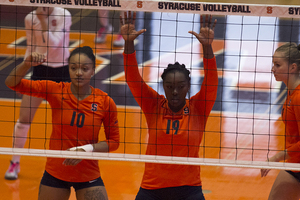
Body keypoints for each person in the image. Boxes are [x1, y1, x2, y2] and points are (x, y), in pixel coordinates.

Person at [121, 11, 218, 200]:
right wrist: (128, 44)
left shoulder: (199, 107)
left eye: (180, 87)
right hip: (152, 188)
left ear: (189, 87)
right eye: (169, 86)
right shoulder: (154, 105)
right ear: (163, 86)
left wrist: (207, 48)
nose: (175, 92)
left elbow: (212, 82)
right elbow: (133, 79)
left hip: (189, 189)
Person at [5, 46, 120, 200]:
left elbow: (114, 141)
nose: (78, 73)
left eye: (85, 68)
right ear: (68, 70)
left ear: (93, 70)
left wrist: (86, 150)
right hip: (56, 172)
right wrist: (26, 64)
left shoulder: (104, 102)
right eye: (73, 68)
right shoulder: (56, 91)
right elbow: (11, 83)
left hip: (88, 173)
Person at [5, 6, 72, 180]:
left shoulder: (64, 14)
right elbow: (32, 46)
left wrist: (43, 21)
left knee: (67, 123)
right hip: (39, 71)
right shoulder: (30, 17)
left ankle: (68, 163)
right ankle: (14, 162)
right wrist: (24, 76)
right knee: (24, 119)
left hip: (63, 73)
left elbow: (53, 45)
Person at [261, 42, 300, 200]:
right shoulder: (290, 93)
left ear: (293, 67)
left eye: (277, 65)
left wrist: (276, 157)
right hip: (294, 164)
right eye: (273, 64)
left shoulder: (298, 97)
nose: (273, 69)